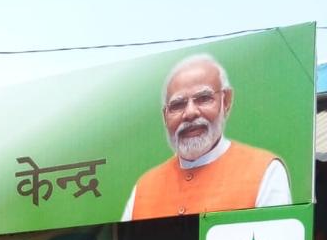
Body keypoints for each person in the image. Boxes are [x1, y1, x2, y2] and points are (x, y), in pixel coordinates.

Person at [122, 54, 292, 221]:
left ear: (226, 101)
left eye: (203, 99)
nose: (190, 113)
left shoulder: (264, 171)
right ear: (165, 116)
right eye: (178, 105)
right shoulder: (144, 188)